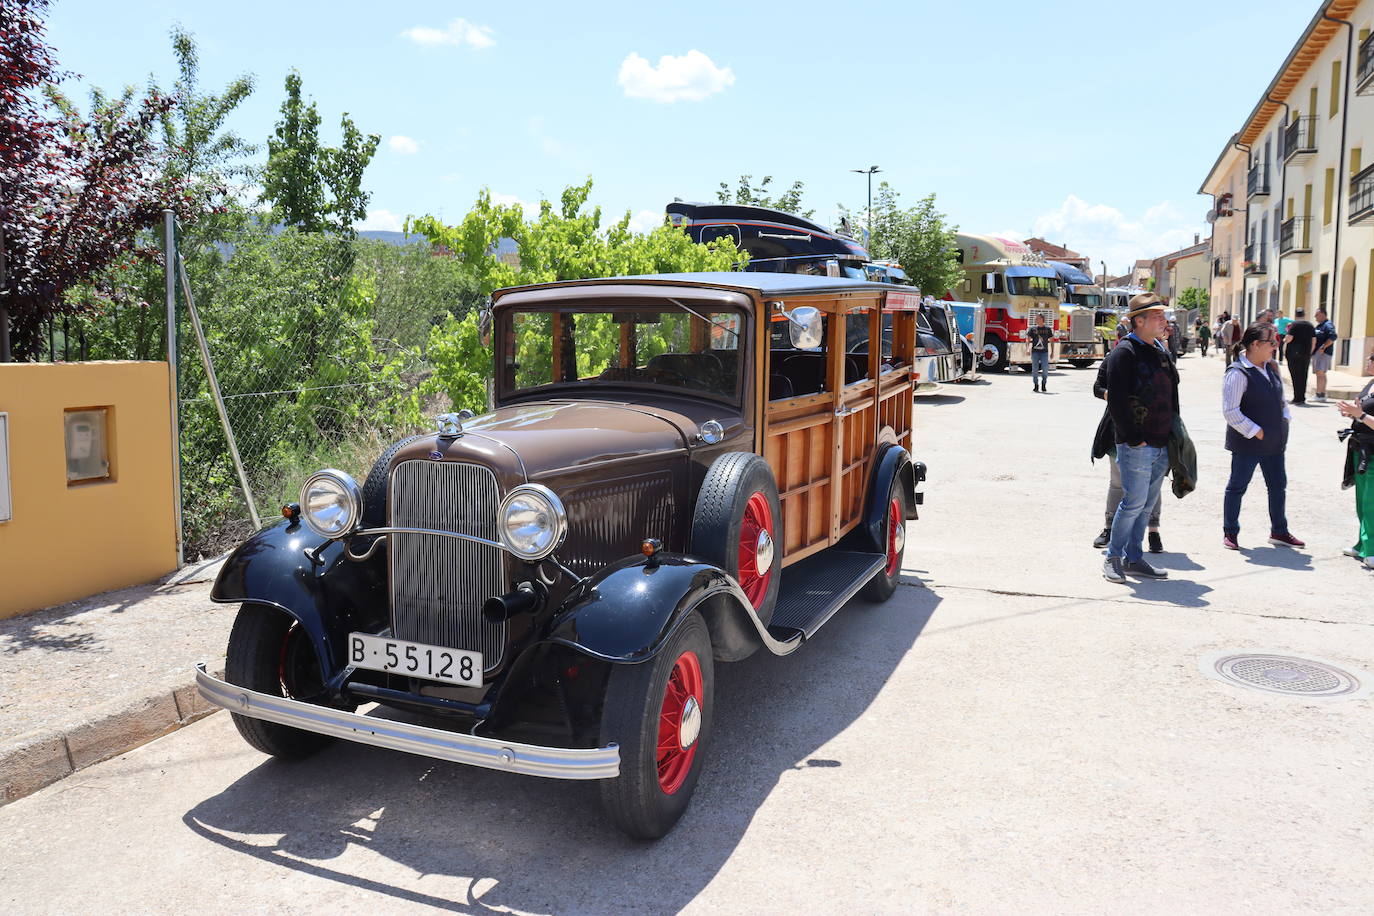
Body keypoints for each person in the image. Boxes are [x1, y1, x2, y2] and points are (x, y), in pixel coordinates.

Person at [1099, 293, 1178, 582]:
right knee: (1132, 502)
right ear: (1139, 321)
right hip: (1138, 445)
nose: (1163, 320)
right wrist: (1134, 438)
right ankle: (1113, 558)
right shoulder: (1124, 353)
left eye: (1162, 315)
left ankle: (1134, 558)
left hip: (1160, 441)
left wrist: (1172, 434)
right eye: (1156, 316)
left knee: (1146, 505)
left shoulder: (1159, 350)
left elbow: (1170, 394)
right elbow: (1116, 400)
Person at [1222, 324, 1305, 551]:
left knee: (1278, 486)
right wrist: (1256, 431)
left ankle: (1279, 531)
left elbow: (1280, 399)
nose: (1275, 346)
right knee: (1237, 487)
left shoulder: (1271, 367)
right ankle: (1231, 531)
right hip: (1248, 443)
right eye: (1271, 342)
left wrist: (1285, 419)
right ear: (1255, 345)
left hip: (1275, 442)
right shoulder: (1237, 373)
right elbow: (1231, 411)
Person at [1092, 363, 1165, 552]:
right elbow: (1097, 387)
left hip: (1150, 431)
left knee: (1151, 485)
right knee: (1117, 482)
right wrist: (1113, 396)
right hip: (1119, 430)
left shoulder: (1157, 357)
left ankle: (1153, 531)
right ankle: (1109, 528)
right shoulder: (1116, 358)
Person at [1336, 354, 1374, 568]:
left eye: (1371, 359)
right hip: (1360, 449)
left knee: (1371, 504)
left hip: (1373, 451)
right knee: (1362, 502)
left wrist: (1359, 415)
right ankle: (1363, 545)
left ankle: (1372, 550)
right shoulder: (1370, 383)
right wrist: (1351, 413)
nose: (1366, 362)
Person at [1283, 308, 1316, 404]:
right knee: (1303, 375)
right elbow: (1314, 340)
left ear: (1296, 315)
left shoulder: (1294, 325)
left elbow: (1289, 338)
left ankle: (1297, 397)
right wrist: (1310, 351)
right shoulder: (1310, 325)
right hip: (1306, 354)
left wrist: (1284, 340)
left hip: (1294, 354)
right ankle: (1302, 397)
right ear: (1304, 314)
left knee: (1295, 375)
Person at [1023, 313, 1053, 392]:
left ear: (1042, 319)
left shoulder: (1048, 329)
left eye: (1037, 318)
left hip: (1044, 352)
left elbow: (1052, 340)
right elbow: (1028, 339)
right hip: (1035, 352)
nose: (1036, 320)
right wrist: (1027, 349)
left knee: (1045, 369)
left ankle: (1044, 384)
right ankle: (1036, 385)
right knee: (1035, 369)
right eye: (1036, 318)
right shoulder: (1033, 329)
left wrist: (1052, 352)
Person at [1313, 307, 1336, 401]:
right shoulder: (1319, 326)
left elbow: (1333, 336)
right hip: (1318, 353)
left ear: (1322, 314)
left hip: (1324, 353)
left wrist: (1323, 347)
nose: (1315, 317)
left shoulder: (1328, 324)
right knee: (1319, 373)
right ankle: (1320, 393)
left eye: (1316, 314)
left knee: (1320, 372)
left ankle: (1320, 395)